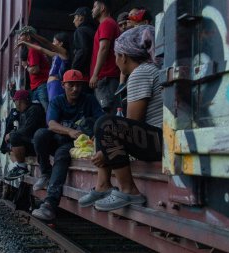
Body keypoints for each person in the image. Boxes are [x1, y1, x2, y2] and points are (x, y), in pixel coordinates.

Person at [78, 25, 163, 211]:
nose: (116, 61)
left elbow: (131, 124)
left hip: (159, 143)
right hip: (155, 139)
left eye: (116, 56)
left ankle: (129, 190)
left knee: (106, 124)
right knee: (102, 125)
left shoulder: (141, 73)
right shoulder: (147, 70)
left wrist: (107, 153)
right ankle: (103, 185)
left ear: (123, 56)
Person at [31, 70, 103, 220]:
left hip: (74, 144)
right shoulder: (57, 101)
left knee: (62, 155)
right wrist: (70, 131)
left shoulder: (89, 100)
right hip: (58, 139)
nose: (75, 89)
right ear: (63, 85)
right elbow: (51, 124)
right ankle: (46, 172)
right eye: (71, 85)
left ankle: (50, 204)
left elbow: (101, 120)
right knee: (40, 135)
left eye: (78, 85)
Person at [4, 90, 46, 180]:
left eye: (15, 101)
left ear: (19, 101)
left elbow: (28, 130)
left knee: (14, 137)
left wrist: (11, 134)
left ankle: (22, 168)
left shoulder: (34, 109)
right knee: (12, 139)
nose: (15, 103)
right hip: (32, 142)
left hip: (38, 144)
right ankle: (19, 166)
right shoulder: (24, 112)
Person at [17, 32, 71, 101]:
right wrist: (26, 43)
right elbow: (40, 49)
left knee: (54, 107)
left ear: (61, 44)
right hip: (51, 85)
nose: (52, 43)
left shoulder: (64, 53)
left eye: (54, 41)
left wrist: (33, 35)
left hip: (56, 85)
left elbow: (46, 43)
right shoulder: (55, 55)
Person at [90, 0, 121, 114]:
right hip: (107, 78)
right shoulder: (109, 23)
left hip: (106, 78)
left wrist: (95, 74)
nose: (92, 10)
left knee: (108, 117)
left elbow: (103, 48)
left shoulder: (106, 23)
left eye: (94, 7)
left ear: (102, 7)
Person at [16, 26, 50, 111]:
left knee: (48, 113)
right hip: (40, 86)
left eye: (21, 35)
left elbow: (35, 70)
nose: (19, 38)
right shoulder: (34, 48)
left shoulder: (32, 50)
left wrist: (26, 66)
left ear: (28, 37)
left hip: (41, 86)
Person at [69, 7, 96, 92]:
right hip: (94, 73)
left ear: (81, 17)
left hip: (84, 76)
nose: (73, 21)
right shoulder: (94, 30)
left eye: (75, 17)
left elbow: (82, 51)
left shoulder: (80, 31)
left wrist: (74, 70)